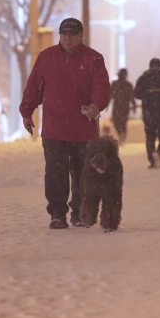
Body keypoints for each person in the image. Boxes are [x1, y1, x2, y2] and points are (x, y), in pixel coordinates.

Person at [19, 17, 111, 230]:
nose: (68, 38)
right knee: (55, 174)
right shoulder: (46, 58)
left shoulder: (93, 59)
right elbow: (34, 87)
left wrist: (96, 106)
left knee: (83, 174)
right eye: (65, 34)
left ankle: (79, 213)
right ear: (60, 35)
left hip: (83, 130)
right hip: (55, 129)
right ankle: (57, 214)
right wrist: (26, 111)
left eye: (73, 34)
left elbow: (101, 88)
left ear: (81, 36)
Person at [134, 57, 160, 169]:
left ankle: (152, 158)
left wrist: (147, 96)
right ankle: (158, 153)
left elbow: (136, 93)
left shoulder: (144, 77)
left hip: (148, 111)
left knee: (150, 136)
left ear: (150, 65)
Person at [110, 68, 136, 143]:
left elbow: (110, 95)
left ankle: (121, 134)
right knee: (123, 122)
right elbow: (132, 97)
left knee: (116, 122)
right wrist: (133, 106)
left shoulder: (114, 84)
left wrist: (106, 104)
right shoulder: (128, 85)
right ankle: (122, 134)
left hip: (117, 106)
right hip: (125, 106)